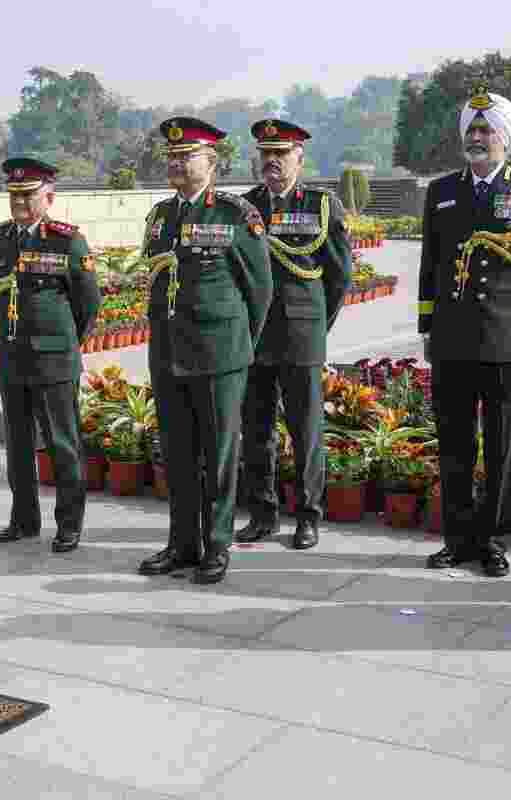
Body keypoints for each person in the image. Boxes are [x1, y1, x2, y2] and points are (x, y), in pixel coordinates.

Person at [417, 89, 511, 578]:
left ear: (507, 139)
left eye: (487, 130)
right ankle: (457, 538)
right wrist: (426, 327)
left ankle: (496, 539)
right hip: (453, 337)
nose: (478, 138)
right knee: (454, 441)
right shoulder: (442, 191)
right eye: (471, 131)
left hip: (507, 337)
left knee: (503, 444)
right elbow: (430, 264)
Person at [137, 117, 274, 584]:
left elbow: (259, 291)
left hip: (220, 353)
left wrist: (238, 346)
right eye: (171, 157)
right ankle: (181, 544)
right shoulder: (160, 215)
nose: (176, 164)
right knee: (177, 453)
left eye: (186, 156)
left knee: (217, 455)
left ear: (211, 162)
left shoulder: (236, 215)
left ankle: (216, 545)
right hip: (169, 350)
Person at [236, 119, 351, 549]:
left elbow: (339, 278)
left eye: (281, 155)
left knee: (306, 429)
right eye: (266, 155)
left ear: (299, 159)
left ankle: (308, 516)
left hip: (303, 334)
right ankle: (263, 513)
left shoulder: (321, 206)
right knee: (257, 428)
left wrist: (317, 325)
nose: (272, 163)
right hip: (256, 336)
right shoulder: (245, 208)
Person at [0, 157, 102, 553]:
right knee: (17, 447)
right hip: (12, 357)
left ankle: (69, 524)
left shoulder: (67, 240)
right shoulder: (1, 239)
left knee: (62, 445)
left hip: (54, 360)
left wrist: (66, 344)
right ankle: (23, 520)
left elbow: (88, 305)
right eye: (13, 194)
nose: (18, 201)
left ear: (48, 196)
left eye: (27, 194)